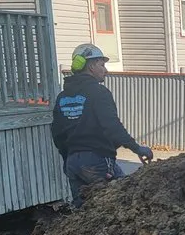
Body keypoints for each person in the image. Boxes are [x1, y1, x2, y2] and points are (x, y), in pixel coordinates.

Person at [51, 43, 153, 207]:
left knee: (82, 212)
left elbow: (57, 133)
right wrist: (137, 148)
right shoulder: (99, 92)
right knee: (121, 201)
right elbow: (112, 126)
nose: (105, 70)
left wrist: (68, 158)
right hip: (97, 160)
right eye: (102, 64)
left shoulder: (62, 97)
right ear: (91, 66)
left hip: (72, 163)